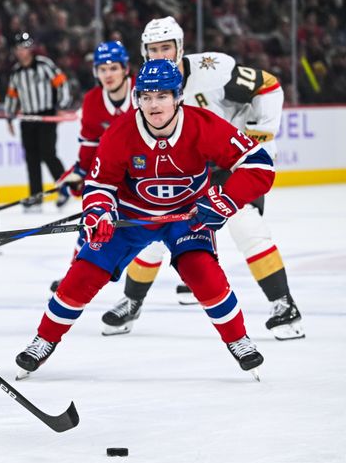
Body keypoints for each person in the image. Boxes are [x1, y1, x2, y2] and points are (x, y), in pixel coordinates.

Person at [14, 59, 274, 381]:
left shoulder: (203, 125)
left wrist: (223, 200)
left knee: (203, 273)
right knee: (82, 273)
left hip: (187, 215)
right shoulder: (121, 132)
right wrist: (99, 212)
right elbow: (100, 184)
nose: (154, 105)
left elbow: (260, 166)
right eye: (147, 96)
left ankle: (238, 339)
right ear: (137, 98)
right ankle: (44, 339)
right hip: (132, 215)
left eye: (162, 96)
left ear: (178, 97)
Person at [102, 16, 304, 341]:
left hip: (228, 161)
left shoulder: (214, 69)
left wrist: (262, 132)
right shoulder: (146, 88)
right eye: (153, 49)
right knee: (151, 232)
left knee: (246, 227)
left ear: (180, 47)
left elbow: (268, 85)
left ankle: (284, 305)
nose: (160, 55)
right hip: (183, 169)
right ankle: (133, 300)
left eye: (166, 47)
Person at [50, 40, 132, 291]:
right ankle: (75, 275)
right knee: (92, 221)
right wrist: (80, 174)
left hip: (149, 173)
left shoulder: (144, 92)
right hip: (113, 174)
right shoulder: (93, 101)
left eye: (113, 68)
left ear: (125, 69)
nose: (107, 74)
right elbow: (89, 147)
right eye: (102, 69)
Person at [3, 32, 72, 212]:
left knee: (48, 153)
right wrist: (9, 117)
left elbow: (62, 83)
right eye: (19, 48)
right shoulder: (16, 72)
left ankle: (65, 188)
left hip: (46, 115)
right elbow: (12, 96)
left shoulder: (44, 65)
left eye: (25, 48)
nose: (22, 52)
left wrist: (62, 105)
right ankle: (36, 196)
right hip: (28, 119)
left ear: (30, 48)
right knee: (32, 158)